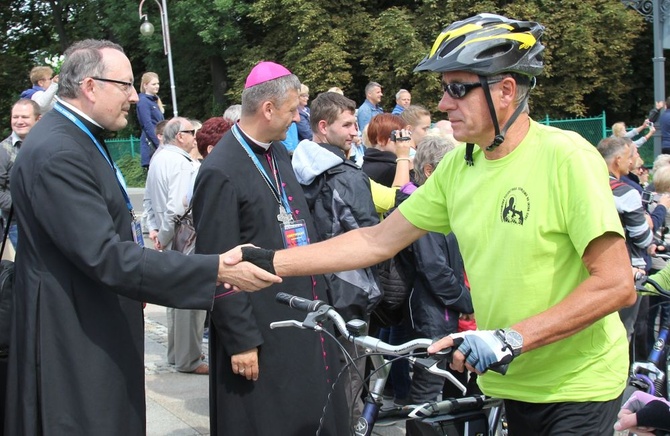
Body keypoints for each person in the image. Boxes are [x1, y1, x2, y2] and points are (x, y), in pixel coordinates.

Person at [229, 14, 635, 434]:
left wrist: (511, 338)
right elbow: (376, 240)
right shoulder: (460, 165)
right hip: (511, 382)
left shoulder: (565, 157)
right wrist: (271, 261)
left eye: (458, 89)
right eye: (444, 90)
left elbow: (616, 283)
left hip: (577, 386)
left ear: (506, 91)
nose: (443, 103)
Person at [5, 39, 279, 436]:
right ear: (90, 86)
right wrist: (215, 268)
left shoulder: (74, 137)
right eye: (126, 85)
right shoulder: (59, 149)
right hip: (73, 338)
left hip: (88, 321)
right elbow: (104, 255)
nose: (134, 97)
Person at [191, 61, 347, 436]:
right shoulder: (220, 169)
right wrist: (241, 340)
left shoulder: (278, 154)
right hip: (261, 327)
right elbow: (216, 263)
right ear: (268, 109)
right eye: (293, 110)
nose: (297, 119)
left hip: (301, 312)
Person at [291, 90, 382, 418]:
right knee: (351, 374)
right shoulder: (346, 176)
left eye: (355, 124)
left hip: (309, 283)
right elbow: (373, 238)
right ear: (323, 126)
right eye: (347, 125)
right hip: (349, 288)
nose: (355, 132)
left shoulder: (292, 170)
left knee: (320, 370)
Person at [395, 135, 475, 436]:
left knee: (450, 384)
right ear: (430, 171)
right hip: (432, 312)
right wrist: (466, 302)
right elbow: (434, 270)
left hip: (443, 308)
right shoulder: (420, 208)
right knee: (428, 387)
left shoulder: (438, 203)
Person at [144, 117, 208, 375]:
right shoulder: (182, 164)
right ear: (180, 136)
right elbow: (178, 207)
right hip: (184, 238)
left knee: (175, 298)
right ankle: (188, 359)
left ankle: (176, 354)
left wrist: (156, 231)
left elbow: (149, 201)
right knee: (189, 301)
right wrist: (167, 234)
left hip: (170, 236)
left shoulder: (159, 158)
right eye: (192, 132)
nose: (195, 136)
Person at [598, 137, 655, 344]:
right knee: (623, 333)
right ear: (618, 160)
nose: (632, 162)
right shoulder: (626, 192)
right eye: (630, 157)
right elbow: (642, 239)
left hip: (592, 270)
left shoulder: (587, 186)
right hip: (628, 270)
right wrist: (650, 223)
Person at [0, 99, 41, 249]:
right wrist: (24, 205)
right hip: (18, 226)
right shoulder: (3, 151)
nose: (19, 121)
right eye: (15, 117)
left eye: (24, 117)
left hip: (48, 221)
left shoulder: (46, 145)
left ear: (38, 119)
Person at [362, 113, 410, 187]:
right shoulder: (391, 169)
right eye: (398, 137)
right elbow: (404, 194)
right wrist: (404, 158)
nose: (404, 141)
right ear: (381, 140)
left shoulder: (366, 162)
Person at [136, 72, 165, 169]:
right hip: (152, 146)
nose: (157, 86)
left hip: (158, 143)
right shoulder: (144, 101)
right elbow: (147, 125)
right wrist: (159, 144)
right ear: (145, 85)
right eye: (154, 84)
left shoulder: (154, 101)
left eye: (158, 84)